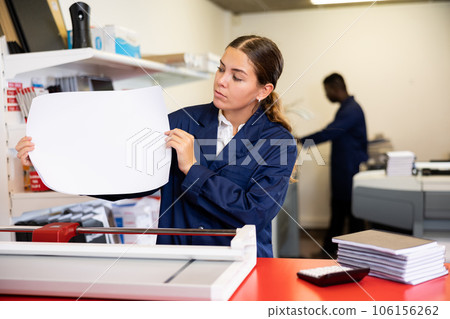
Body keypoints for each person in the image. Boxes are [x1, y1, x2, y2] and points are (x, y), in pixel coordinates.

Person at [16, 35, 298, 258]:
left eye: (237, 77)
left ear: (264, 91)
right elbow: (129, 180)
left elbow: (255, 211)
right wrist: (49, 161)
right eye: (221, 69)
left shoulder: (278, 142)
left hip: (241, 264)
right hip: (176, 260)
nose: (221, 81)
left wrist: (192, 168)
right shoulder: (180, 121)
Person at [298, 73, 368, 256]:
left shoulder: (351, 110)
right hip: (345, 169)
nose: (325, 95)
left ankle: (335, 254)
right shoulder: (347, 108)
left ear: (335, 89)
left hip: (348, 170)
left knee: (347, 214)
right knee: (344, 213)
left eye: (326, 91)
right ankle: (332, 252)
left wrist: (301, 140)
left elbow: (330, 132)